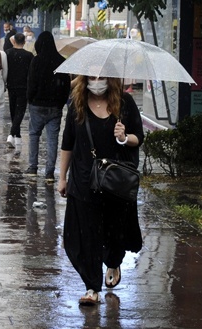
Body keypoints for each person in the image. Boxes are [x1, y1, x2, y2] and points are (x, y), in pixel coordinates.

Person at [57, 75, 144, 306]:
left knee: (114, 231)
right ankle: (91, 287)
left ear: (111, 79)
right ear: (85, 79)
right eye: (92, 77)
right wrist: (62, 177)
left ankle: (113, 261)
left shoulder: (125, 104)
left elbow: (139, 138)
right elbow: (68, 143)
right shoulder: (77, 104)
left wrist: (125, 138)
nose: (97, 81)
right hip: (84, 180)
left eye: (102, 77)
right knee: (86, 235)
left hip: (116, 182)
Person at [25, 31, 71, 181]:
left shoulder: (36, 61)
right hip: (55, 107)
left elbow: (31, 83)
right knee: (52, 139)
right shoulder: (61, 61)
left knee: (34, 135)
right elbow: (66, 86)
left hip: (37, 104)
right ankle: (49, 173)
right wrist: (61, 102)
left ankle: (33, 168)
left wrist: (30, 99)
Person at [5, 33, 33, 148]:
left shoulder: (8, 53)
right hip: (24, 86)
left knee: (13, 110)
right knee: (19, 111)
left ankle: (14, 135)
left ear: (14, 41)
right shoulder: (29, 56)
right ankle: (16, 135)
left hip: (11, 85)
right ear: (24, 42)